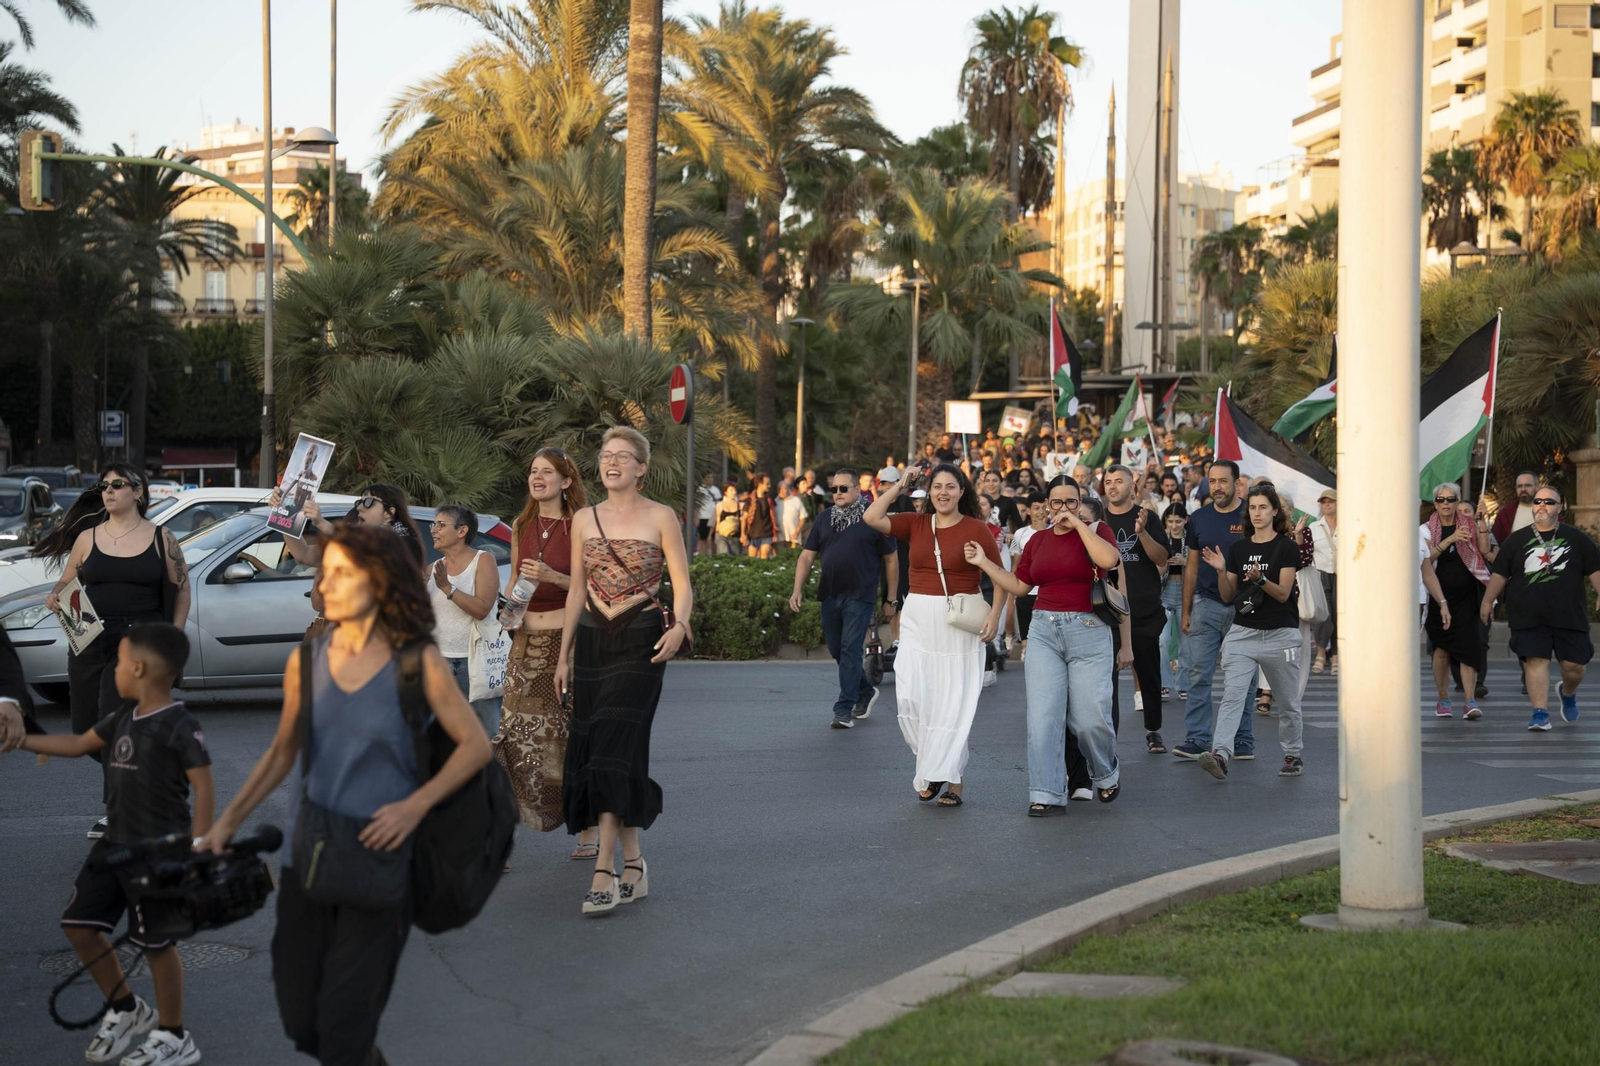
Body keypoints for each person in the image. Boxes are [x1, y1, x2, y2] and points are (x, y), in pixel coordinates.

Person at [197, 525, 490, 1065]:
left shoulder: (415, 662)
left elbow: (475, 746)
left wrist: (414, 805)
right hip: (307, 856)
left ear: (377, 582)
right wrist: (225, 823)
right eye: (320, 573)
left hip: (381, 861)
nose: (322, 585)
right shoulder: (304, 662)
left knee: (343, 1029)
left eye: (338, 574)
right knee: (303, 1022)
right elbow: (282, 752)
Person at [16, 623, 211, 1066]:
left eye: (120, 662)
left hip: (160, 851)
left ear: (138, 668)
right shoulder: (122, 716)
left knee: (158, 944)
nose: (115, 670)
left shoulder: (179, 723)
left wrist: (199, 846)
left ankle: (174, 1035)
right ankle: (126, 1008)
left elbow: (205, 784)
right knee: (80, 924)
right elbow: (79, 742)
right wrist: (22, 739)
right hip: (115, 844)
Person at [554, 427, 693, 915]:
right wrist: (563, 654)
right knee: (610, 749)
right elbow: (576, 591)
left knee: (614, 743)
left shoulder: (662, 516)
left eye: (622, 456)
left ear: (641, 467)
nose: (611, 462)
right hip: (592, 642)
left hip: (642, 641)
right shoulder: (583, 519)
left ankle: (605, 869)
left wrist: (680, 625)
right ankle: (635, 861)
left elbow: (682, 581)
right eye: (606, 455)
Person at [36, 465, 191, 840]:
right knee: (85, 727)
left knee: (114, 719)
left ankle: (121, 811)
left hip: (139, 641)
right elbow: (66, 582)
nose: (108, 491)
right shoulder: (87, 539)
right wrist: (56, 596)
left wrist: (174, 638)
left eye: (117, 484)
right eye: (104, 485)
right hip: (88, 637)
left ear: (138, 492)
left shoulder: (162, 538)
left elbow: (182, 589)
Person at [966, 476, 1126, 813]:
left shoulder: (1097, 531)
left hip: (1089, 628)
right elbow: (1020, 586)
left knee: (1090, 718)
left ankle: (1105, 772)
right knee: (1043, 719)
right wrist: (984, 562)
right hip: (1043, 630)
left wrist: (1080, 526)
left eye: (1071, 502)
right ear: (1046, 506)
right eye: (1056, 502)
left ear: (1080, 503)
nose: (1063, 509)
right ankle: (1046, 793)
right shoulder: (1037, 541)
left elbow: (1109, 561)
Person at [863, 464, 1003, 807]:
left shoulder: (976, 529)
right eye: (937, 487)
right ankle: (933, 766)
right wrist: (901, 486)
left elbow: (1000, 576)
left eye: (950, 487)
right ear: (929, 492)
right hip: (918, 619)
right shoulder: (915, 523)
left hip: (958, 623)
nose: (943, 492)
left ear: (961, 492)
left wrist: (996, 616)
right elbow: (871, 517)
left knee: (951, 706)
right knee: (912, 698)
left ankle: (948, 779)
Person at [498, 448, 592, 847]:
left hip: (563, 643)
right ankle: (508, 826)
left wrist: (554, 576)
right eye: (533, 471)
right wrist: (506, 615)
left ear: (566, 481)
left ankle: (587, 828)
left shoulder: (580, 526)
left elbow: (590, 588)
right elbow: (515, 582)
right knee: (513, 733)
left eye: (547, 472)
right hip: (523, 641)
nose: (537, 478)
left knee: (566, 733)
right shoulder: (522, 523)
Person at [1196, 484, 1305, 780]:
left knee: (1287, 702)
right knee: (1232, 695)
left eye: (1263, 508)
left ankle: (1293, 754)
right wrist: (1221, 571)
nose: (1257, 513)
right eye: (1253, 508)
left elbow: (1283, 593)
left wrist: (1259, 580)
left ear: (1274, 512)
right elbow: (1229, 594)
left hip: (1281, 633)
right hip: (1243, 632)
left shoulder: (1286, 547)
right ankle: (1220, 754)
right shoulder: (1239, 548)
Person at [1481, 487, 1600, 731]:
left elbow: (1595, 570)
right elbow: (1500, 574)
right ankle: (1540, 713)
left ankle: (1567, 693)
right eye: (1538, 501)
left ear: (1559, 507)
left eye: (1548, 501)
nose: (1542, 505)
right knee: (1535, 660)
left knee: (1574, 666)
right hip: (1528, 614)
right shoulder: (1516, 540)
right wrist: (1487, 602)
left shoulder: (1577, 539)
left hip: (1569, 615)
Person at [790, 468, 898, 728]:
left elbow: (891, 558)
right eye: (834, 489)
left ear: (856, 490)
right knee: (838, 650)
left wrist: (890, 599)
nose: (837, 493)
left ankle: (844, 709)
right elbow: (807, 556)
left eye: (843, 488)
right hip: (830, 593)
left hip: (861, 595)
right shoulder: (824, 518)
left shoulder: (873, 516)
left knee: (850, 649)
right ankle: (865, 690)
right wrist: (797, 589)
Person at [1175, 461, 1255, 761]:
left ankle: (1243, 740)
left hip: (1244, 609)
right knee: (1198, 675)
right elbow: (1191, 568)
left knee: (1243, 680)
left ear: (1237, 483)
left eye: (1224, 481)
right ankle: (1197, 739)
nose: (1217, 486)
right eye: (1213, 481)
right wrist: (1186, 611)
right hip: (1205, 606)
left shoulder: (1252, 514)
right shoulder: (1198, 519)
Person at [1100, 465, 1171, 754]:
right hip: (1105, 612)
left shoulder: (1147, 517)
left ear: (1132, 487)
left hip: (1142, 611)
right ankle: (1108, 737)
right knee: (1107, 682)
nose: (1113, 486)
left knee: (1149, 675)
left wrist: (1141, 534)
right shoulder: (1098, 519)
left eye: (1119, 481)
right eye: (1108, 482)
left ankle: (1153, 731)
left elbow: (1162, 558)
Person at [428, 505, 505, 735]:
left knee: (487, 732)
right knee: (445, 734)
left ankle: (491, 772)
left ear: (462, 531)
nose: (434, 530)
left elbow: (482, 609)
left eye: (441, 525)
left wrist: (448, 589)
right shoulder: (433, 569)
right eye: (434, 524)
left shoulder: (483, 560)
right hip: (440, 662)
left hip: (475, 662)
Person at [1422, 483, 1490, 720]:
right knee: (1441, 649)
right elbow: (1426, 558)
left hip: (1467, 597)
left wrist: (1482, 522)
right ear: (1435, 503)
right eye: (1441, 500)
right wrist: (1450, 539)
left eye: (1451, 499)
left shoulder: (1469, 524)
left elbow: (1484, 549)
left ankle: (1470, 701)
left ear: (1458, 501)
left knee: (1470, 648)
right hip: (1437, 597)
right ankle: (1443, 700)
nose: (1446, 504)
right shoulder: (1426, 530)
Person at [1009, 493, 1049, 662]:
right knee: (1025, 624)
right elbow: (1016, 562)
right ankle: (1026, 650)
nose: (1040, 512)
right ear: (1029, 511)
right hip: (1026, 589)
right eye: (1036, 508)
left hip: (1046, 590)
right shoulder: (1020, 534)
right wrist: (1013, 587)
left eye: (1043, 508)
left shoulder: (1054, 531)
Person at [1159, 505, 1189, 701]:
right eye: (1170, 521)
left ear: (1185, 520)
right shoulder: (1161, 540)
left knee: (1186, 643)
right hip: (1165, 592)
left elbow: (1199, 564)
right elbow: (1155, 566)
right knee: (1162, 640)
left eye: (1178, 521)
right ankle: (1164, 683)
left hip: (1186, 594)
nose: (1174, 526)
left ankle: (1183, 684)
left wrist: (1185, 561)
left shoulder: (1192, 540)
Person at [1310, 489, 1338, 675]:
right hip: (1321, 572)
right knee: (1323, 615)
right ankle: (1321, 653)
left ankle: (1336, 655)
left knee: (1339, 615)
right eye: (1324, 501)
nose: (1327, 504)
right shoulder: (1314, 527)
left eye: (1331, 501)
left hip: (1343, 575)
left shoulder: (1350, 525)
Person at [1489, 470, 1540, 552]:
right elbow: (1495, 542)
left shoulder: (1548, 511)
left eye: (1527, 485)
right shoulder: (1505, 514)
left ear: (1537, 487)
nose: (1523, 489)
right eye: (1519, 486)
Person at [742, 475, 778, 559]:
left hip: (766, 533)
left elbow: (773, 516)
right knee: (752, 560)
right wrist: (743, 534)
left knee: (764, 558)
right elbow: (744, 518)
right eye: (767, 484)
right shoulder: (750, 500)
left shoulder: (769, 499)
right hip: (752, 534)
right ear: (759, 484)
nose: (769, 486)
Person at [776, 479, 806, 549]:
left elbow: (803, 517)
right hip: (780, 539)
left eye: (784, 489)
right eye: (779, 489)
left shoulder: (796, 500)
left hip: (794, 538)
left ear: (788, 489)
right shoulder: (775, 502)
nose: (782, 491)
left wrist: (797, 530)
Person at [695, 472, 720, 556]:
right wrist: (696, 517)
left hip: (713, 517)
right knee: (703, 538)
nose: (709, 479)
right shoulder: (699, 490)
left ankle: (714, 556)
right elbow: (696, 505)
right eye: (707, 478)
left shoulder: (716, 490)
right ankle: (703, 555)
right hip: (703, 517)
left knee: (714, 539)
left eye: (711, 477)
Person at [713, 483, 741, 555]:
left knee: (735, 558)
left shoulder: (740, 505)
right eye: (731, 490)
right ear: (726, 492)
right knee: (723, 556)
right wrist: (716, 535)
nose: (734, 492)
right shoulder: (720, 505)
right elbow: (718, 521)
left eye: (735, 490)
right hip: (723, 535)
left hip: (735, 535)